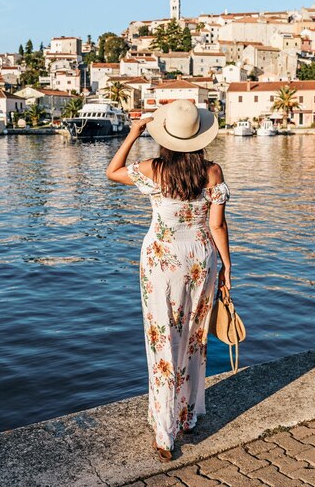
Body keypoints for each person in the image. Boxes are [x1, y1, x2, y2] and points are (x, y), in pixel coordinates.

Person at [106, 99, 231, 462]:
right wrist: (227, 266)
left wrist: (132, 133)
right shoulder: (212, 171)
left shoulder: (152, 169)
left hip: (162, 260)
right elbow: (217, 225)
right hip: (201, 258)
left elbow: (112, 172)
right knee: (193, 339)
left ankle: (165, 435)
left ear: (165, 137)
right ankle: (186, 416)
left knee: (163, 342)